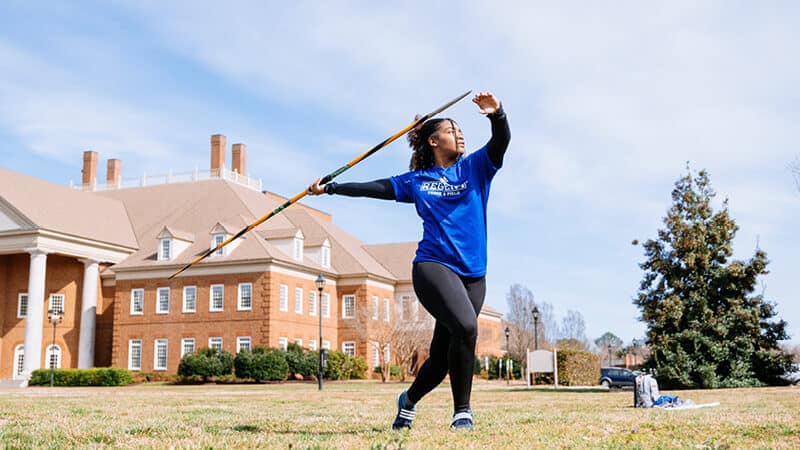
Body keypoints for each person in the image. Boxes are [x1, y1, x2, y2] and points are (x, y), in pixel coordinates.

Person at [307, 91, 510, 431]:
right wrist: (331, 188)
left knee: (442, 359)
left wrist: (497, 115)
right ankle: (463, 411)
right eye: (450, 130)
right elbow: (376, 187)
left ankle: (408, 400)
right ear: (433, 141)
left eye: (460, 130)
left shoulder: (476, 167)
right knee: (467, 327)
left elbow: (500, 142)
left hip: (474, 274)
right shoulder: (418, 182)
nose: (459, 134)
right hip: (433, 267)